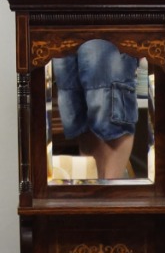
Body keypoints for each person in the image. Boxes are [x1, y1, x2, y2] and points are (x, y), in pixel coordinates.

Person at [52, 38, 138, 179]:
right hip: (61, 23)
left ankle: (110, 193)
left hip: (106, 23)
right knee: (77, 114)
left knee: (110, 111)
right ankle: (93, 190)